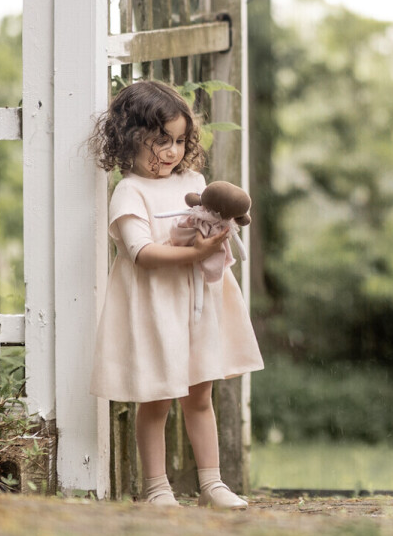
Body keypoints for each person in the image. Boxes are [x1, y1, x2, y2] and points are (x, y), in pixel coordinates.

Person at [87, 80, 264, 508]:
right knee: (158, 398)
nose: (172, 152)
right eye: (161, 141)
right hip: (155, 307)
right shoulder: (130, 191)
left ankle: (212, 484)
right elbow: (142, 253)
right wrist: (195, 253)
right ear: (130, 138)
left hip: (198, 304)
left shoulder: (194, 181)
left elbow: (211, 222)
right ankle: (157, 488)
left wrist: (217, 236)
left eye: (180, 141)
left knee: (200, 395)